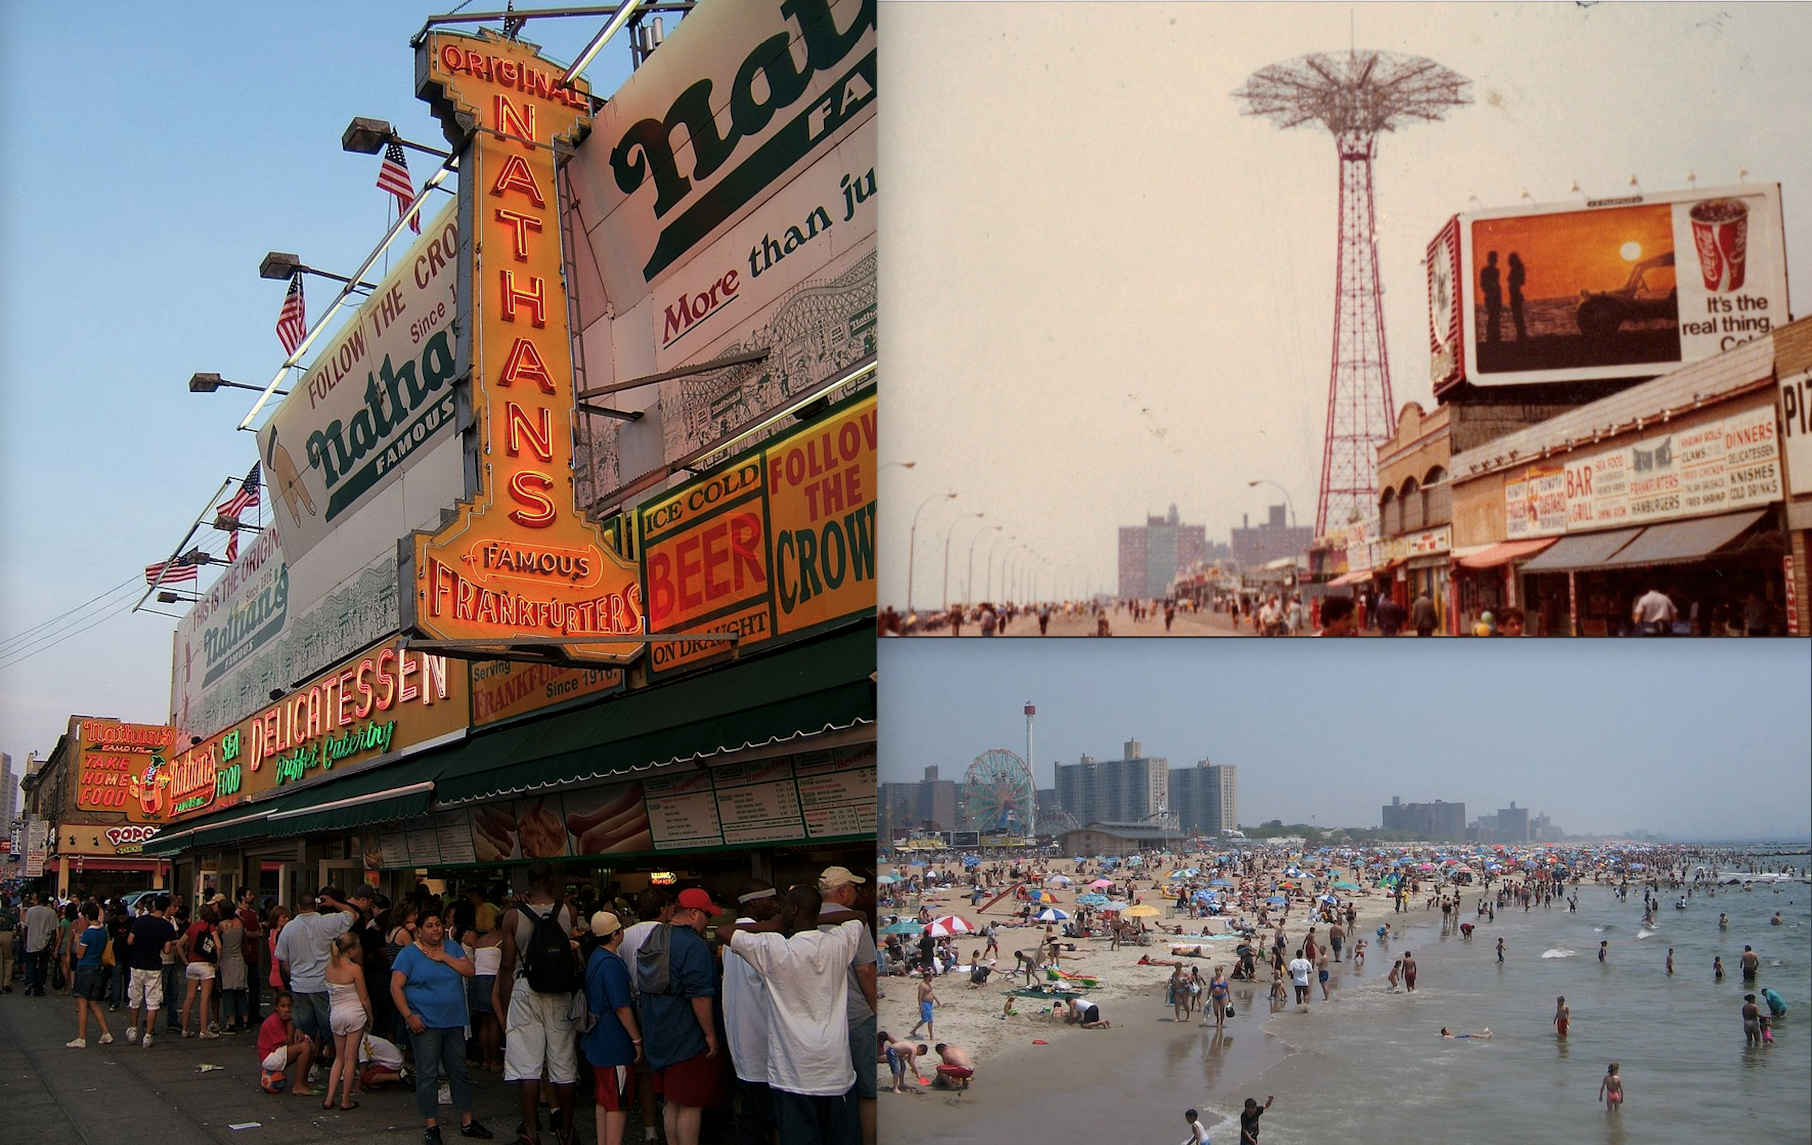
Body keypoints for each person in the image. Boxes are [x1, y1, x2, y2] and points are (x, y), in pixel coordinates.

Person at [718, 884, 866, 1145]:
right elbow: (860, 917)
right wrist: (813, 917)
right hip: (835, 1071)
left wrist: (773, 926)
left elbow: (724, 932)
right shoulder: (838, 944)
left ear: (794, 910)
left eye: (785, 907)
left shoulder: (774, 950)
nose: (779, 910)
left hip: (793, 1074)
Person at [494, 861, 582, 1145]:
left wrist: (507, 1008)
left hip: (524, 988)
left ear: (527, 883)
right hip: (559, 991)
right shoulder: (568, 912)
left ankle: (531, 1133)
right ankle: (566, 1131)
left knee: (527, 1066)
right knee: (564, 1065)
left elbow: (506, 966)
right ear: (552, 880)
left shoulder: (512, 917)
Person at [391, 909, 492, 1144]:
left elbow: (470, 971)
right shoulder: (408, 955)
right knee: (428, 1073)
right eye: (429, 925)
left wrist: (444, 957)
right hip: (425, 1023)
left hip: (454, 1021)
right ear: (419, 929)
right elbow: (395, 987)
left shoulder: (453, 948)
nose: (435, 929)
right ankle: (431, 1125)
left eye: (437, 924)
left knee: (459, 1071)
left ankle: (467, 1121)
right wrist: (408, 1016)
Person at [637, 887, 723, 1145]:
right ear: (694, 913)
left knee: (672, 1102)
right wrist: (710, 1035)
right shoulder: (694, 946)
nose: (708, 921)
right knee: (691, 1105)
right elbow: (699, 995)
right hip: (688, 1037)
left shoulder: (655, 935)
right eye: (708, 916)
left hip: (659, 1032)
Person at [720, 880, 779, 1145]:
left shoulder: (731, 940)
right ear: (754, 902)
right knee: (773, 1119)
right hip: (762, 1046)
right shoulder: (763, 938)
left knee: (750, 1121)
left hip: (741, 1044)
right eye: (772, 900)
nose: (777, 906)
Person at [276, 887, 359, 1064]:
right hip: (323, 982)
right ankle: (334, 1057)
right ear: (316, 905)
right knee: (329, 1024)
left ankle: (308, 1062)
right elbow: (353, 915)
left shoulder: (289, 929)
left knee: (304, 1029)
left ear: (298, 906)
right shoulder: (327, 922)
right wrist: (334, 902)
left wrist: (294, 975)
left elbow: (283, 959)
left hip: (300, 984)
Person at [581, 911, 641, 1145]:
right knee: (617, 1100)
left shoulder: (595, 958)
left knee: (603, 1098)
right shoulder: (612, 964)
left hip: (596, 1040)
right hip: (614, 1043)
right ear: (615, 934)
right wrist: (636, 1039)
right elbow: (621, 1007)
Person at [323, 932, 372, 1111]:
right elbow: (364, 996)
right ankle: (345, 1100)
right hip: (355, 1013)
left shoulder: (329, 967)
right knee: (351, 1059)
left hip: (336, 1014)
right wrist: (370, 1016)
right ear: (351, 950)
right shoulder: (354, 969)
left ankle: (329, 1098)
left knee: (339, 1057)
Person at [124, 895, 177, 1047]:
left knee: (135, 999)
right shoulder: (167, 926)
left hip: (137, 963)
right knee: (152, 1002)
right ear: (167, 908)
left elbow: (130, 940)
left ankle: (133, 1030)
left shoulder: (140, 920)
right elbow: (167, 950)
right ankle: (148, 1035)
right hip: (154, 966)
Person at [65, 903, 114, 1048]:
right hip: (97, 968)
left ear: (86, 916)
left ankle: (81, 1037)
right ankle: (106, 1033)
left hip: (85, 968)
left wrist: (77, 941)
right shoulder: (103, 931)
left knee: (82, 1003)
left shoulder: (88, 933)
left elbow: (80, 955)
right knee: (93, 1002)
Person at [257, 991, 319, 1096]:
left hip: (278, 1051)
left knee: (311, 1046)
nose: (286, 1009)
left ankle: (304, 1081)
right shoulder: (274, 1021)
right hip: (269, 1056)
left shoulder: (284, 1019)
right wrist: (290, 1023)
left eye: (289, 1006)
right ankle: (298, 1085)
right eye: (283, 1006)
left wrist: (298, 1032)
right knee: (304, 1047)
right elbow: (288, 1043)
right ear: (276, 1007)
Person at [178, 904, 222, 1039]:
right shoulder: (211, 928)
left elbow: (179, 945)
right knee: (205, 998)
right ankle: (203, 1030)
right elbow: (218, 945)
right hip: (206, 965)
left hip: (192, 964)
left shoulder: (193, 927)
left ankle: (184, 1029)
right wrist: (217, 962)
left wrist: (185, 961)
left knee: (189, 997)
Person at [237, 887, 266, 1024]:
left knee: (255, 985)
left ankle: (254, 1012)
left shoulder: (253, 913)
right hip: (242, 955)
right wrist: (255, 934)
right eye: (249, 894)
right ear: (243, 897)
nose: (252, 896)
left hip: (253, 954)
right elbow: (243, 932)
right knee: (241, 986)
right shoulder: (238, 913)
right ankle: (241, 1013)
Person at [21, 894, 58, 996]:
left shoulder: (31, 911)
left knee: (30, 964)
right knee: (42, 966)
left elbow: (26, 927)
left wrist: (25, 941)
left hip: (31, 941)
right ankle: (39, 988)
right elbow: (54, 930)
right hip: (44, 942)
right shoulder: (51, 913)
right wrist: (53, 945)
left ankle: (30, 981)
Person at [908, 970, 939, 1039]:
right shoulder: (922, 985)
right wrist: (921, 1005)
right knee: (930, 1020)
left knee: (924, 1019)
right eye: (931, 977)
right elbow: (920, 996)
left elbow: (930, 993)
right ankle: (931, 1036)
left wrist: (936, 999)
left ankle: (913, 1031)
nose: (932, 978)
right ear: (927, 977)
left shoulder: (928, 984)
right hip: (925, 1004)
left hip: (930, 1004)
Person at [1480, 251, 1502, 343]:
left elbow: (1496, 284)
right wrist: (1489, 291)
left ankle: (1495, 336)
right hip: (1490, 296)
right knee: (1492, 316)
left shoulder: (1496, 271)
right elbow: (1483, 284)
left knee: (1495, 316)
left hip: (1495, 295)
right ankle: (1491, 336)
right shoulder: (1485, 271)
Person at [1507, 252, 1527, 341]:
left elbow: (1518, 281)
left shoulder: (1515, 269)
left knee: (1517, 316)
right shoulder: (1516, 268)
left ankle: (1521, 335)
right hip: (1515, 294)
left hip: (1515, 294)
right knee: (1517, 316)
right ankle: (1521, 334)